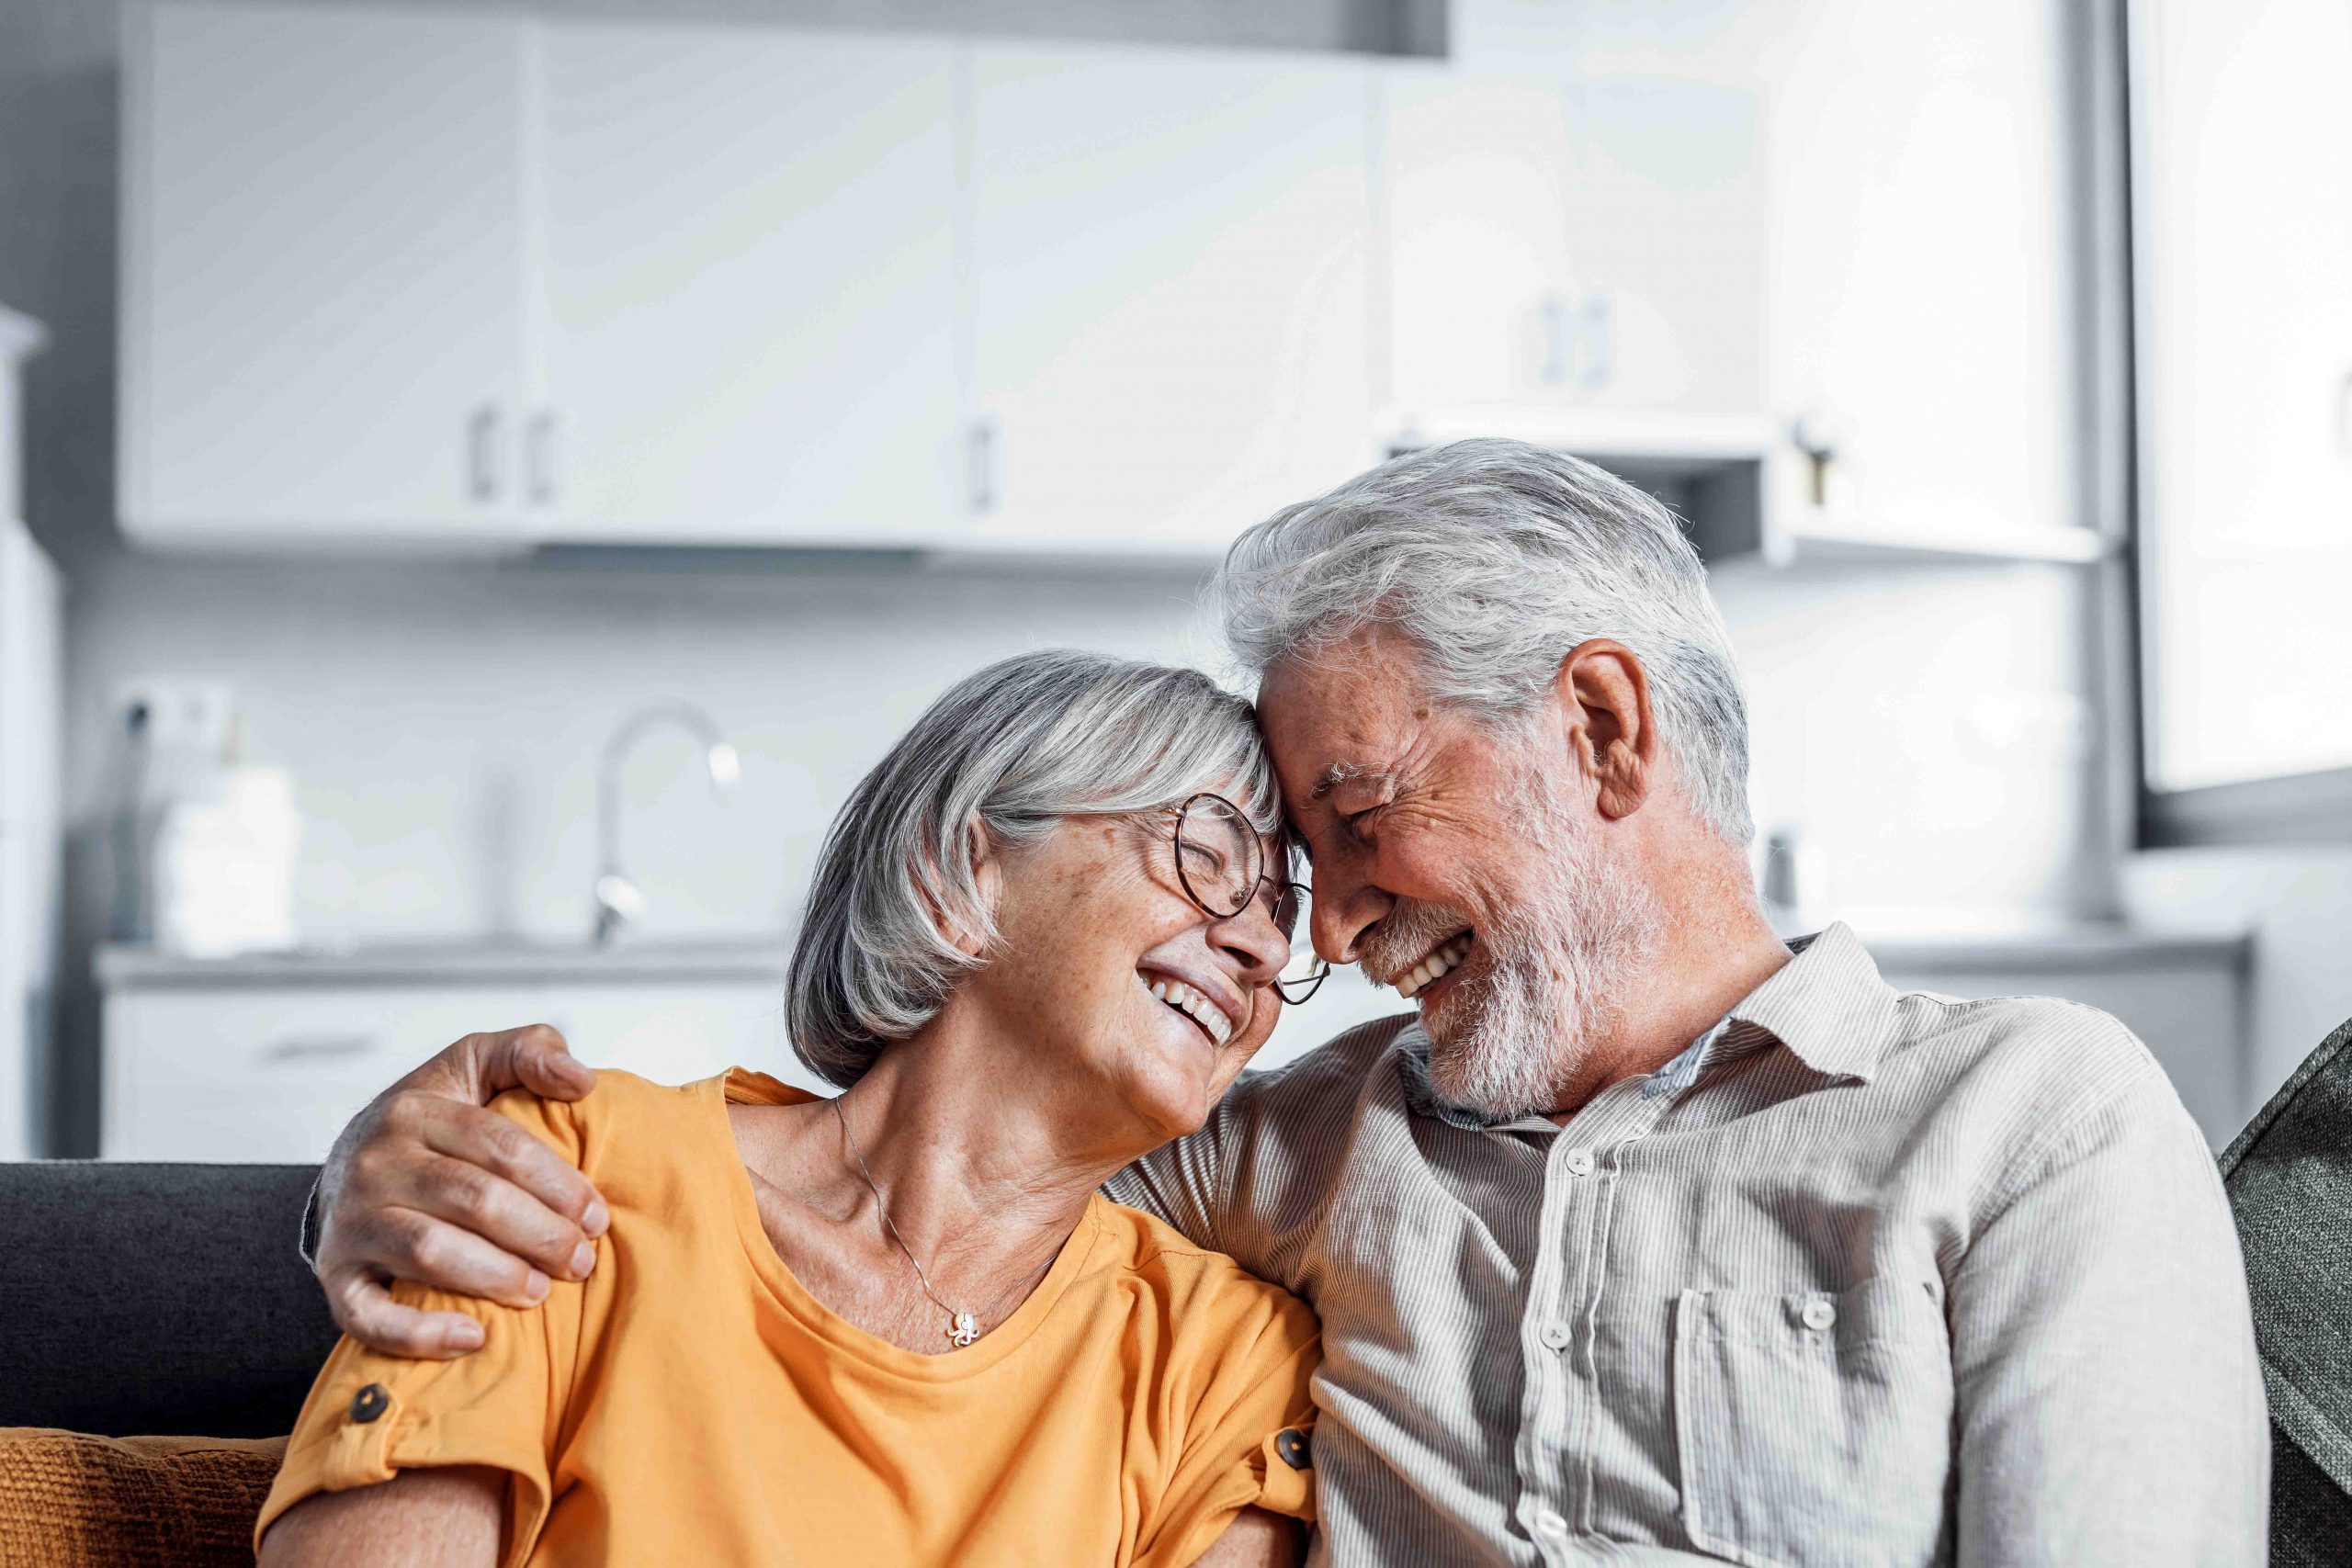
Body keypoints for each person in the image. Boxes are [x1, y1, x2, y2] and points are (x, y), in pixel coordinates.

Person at [311, 440, 2267, 1564]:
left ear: (1595, 726)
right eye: (1247, 867)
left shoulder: (2027, 1115)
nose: (1308, 934)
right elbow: (916, 1169)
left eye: (1344, 820)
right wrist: (370, 1164)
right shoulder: (1275, 1148)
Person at [257, 652, 1327, 1567]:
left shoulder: (1223, 1361)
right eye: (1206, 858)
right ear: (962, 870)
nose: (1264, 948)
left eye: (1281, 913)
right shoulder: (568, 1179)